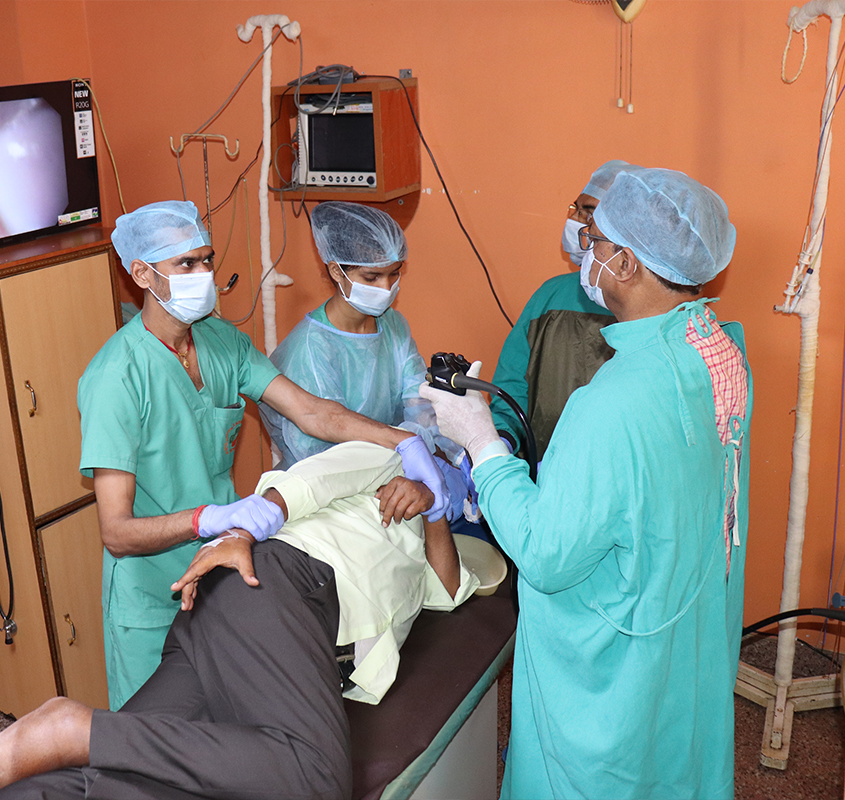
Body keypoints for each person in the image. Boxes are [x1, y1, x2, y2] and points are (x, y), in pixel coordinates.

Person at [421, 167, 751, 799]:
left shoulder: (610, 404)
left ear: (625, 264)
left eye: (595, 240)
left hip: (613, 669)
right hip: (681, 631)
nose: (585, 250)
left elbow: (546, 554)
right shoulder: (718, 353)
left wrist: (481, 441)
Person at [77, 201, 451, 709]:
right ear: (142, 274)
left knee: (224, 721)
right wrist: (209, 517)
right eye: (185, 264)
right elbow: (116, 533)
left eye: (206, 260)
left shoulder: (221, 343)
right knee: (155, 730)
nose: (203, 274)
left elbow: (313, 412)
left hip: (225, 566)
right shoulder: (115, 378)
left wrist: (401, 441)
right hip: (151, 592)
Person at [0, 442, 480, 800]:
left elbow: (450, 587)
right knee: (316, 780)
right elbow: (305, 483)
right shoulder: (385, 455)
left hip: (235, 628)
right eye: (441, 460)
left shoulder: (424, 545)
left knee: (123, 785)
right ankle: (79, 730)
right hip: (273, 583)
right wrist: (241, 533)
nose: (446, 473)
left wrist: (434, 507)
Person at [260, 201, 473, 522]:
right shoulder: (309, 351)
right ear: (336, 271)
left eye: (394, 273)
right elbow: (324, 459)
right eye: (372, 277)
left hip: (396, 477)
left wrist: (458, 457)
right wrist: (407, 459)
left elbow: (421, 409)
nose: (386, 288)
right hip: (331, 500)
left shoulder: (393, 326)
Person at [489, 160, 639, 457]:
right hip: (542, 472)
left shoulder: (649, 312)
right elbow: (510, 391)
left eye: (590, 214)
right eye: (577, 209)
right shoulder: (551, 297)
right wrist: (501, 441)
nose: (578, 222)